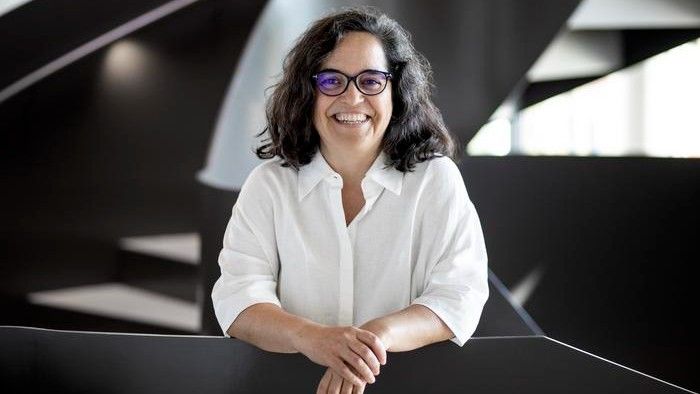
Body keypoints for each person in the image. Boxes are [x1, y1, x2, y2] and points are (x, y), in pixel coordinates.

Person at [211, 7, 489, 394]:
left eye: (371, 81)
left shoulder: (436, 180)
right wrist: (312, 337)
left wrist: (371, 340)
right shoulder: (268, 185)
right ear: (308, 93)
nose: (352, 97)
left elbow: (459, 295)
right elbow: (238, 298)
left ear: (396, 91)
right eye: (332, 81)